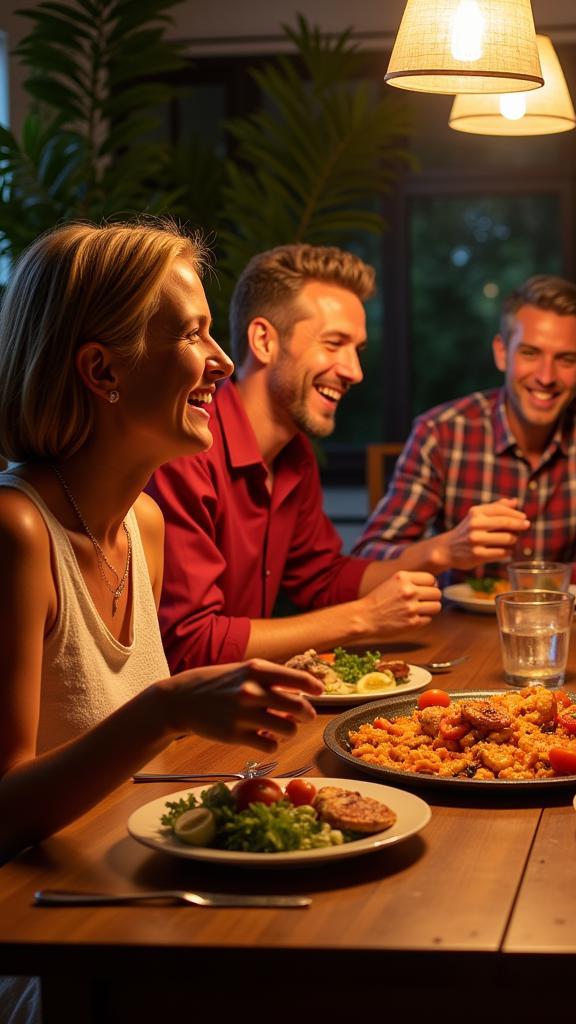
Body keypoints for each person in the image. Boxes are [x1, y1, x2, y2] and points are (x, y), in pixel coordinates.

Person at [0, 223, 323, 1022]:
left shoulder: (144, 522)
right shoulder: (17, 532)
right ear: (101, 370)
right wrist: (170, 705)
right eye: (192, 333)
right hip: (47, 956)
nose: (221, 362)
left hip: (130, 905)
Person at [148, 243, 503, 672]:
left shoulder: (295, 453)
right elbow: (190, 644)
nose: (354, 371)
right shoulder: (186, 451)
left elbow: (323, 579)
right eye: (334, 343)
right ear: (263, 340)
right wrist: (365, 618)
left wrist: (441, 551)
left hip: (241, 700)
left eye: (357, 349)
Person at [353, 275, 576, 590]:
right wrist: (444, 550)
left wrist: (527, 582)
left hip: (562, 630)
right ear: (502, 353)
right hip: (454, 627)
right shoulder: (441, 432)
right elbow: (368, 561)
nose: (546, 376)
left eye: (565, 359)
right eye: (530, 353)